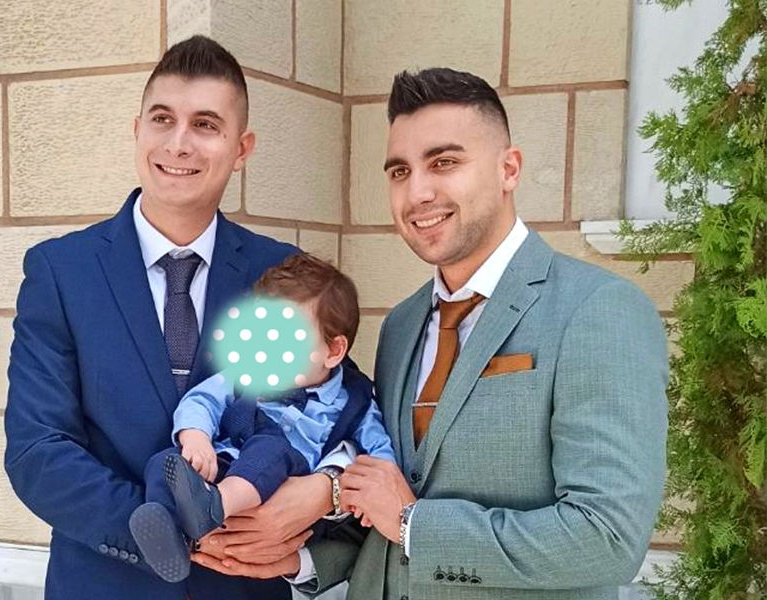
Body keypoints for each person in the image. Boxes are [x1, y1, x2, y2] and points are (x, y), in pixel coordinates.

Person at [194, 67, 669, 600]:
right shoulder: (402, 325)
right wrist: (301, 560)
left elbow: (607, 537)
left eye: (444, 162)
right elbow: (395, 494)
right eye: (400, 171)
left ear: (509, 169)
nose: (417, 192)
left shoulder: (597, 310)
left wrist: (415, 526)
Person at [4, 36, 354, 600]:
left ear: (241, 149)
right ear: (137, 130)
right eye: (162, 119)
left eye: (206, 125)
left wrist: (324, 492)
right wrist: (170, 532)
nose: (179, 143)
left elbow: (343, 408)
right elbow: (37, 451)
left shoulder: (283, 274)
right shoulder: (61, 272)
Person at [130, 253, 397, 583]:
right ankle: (172, 533)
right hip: (227, 465)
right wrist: (195, 437)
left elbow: (381, 457)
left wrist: (372, 501)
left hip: (286, 481)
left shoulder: (355, 401)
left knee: (270, 447)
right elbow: (203, 399)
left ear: (333, 351)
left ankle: (215, 505)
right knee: (163, 461)